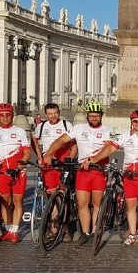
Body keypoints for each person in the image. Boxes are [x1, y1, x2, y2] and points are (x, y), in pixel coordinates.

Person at [42, 101, 112, 244]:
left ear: (101, 116)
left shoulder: (107, 130)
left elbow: (107, 149)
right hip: (82, 171)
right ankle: (85, 233)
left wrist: (93, 160)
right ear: (87, 116)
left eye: (97, 116)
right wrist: (48, 154)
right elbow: (61, 141)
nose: (94, 118)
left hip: (98, 171)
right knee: (82, 204)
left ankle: (94, 232)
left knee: (97, 203)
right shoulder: (79, 128)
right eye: (91, 116)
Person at [94, 110, 138, 247]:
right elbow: (111, 148)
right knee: (131, 206)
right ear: (131, 122)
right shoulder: (124, 135)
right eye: (135, 121)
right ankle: (133, 234)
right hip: (128, 176)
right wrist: (95, 159)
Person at [0, 103, 32, 242]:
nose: (5, 118)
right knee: (5, 202)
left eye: (8, 115)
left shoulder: (20, 131)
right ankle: (8, 229)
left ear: (12, 116)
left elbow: (27, 153)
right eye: (2, 115)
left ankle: (15, 231)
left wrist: (21, 164)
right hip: (1, 172)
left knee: (17, 201)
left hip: (17, 172)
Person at [31, 102, 73, 196]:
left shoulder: (66, 125)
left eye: (55, 113)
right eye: (50, 114)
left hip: (62, 161)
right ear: (46, 115)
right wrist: (39, 156)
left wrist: (70, 158)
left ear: (59, 113)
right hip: (47, 161)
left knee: (62, 191)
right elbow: (34, 139)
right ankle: (52, 209)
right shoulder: (41, 126)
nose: (53, 116)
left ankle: (59, 210)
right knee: (50, 191)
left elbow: (74, 144)